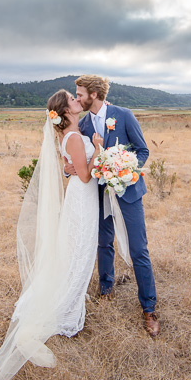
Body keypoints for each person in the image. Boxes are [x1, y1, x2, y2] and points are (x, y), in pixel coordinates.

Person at [0, 90, 103, 380]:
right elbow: (84, 174)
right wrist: (101, 150)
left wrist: (84, 155)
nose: (78, 100)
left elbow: (71, 168)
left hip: (80, 201)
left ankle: (68, 300)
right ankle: (65, 311)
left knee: (76, 254)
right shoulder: (78, 137)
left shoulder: (70, 136)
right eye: (73, 99)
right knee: (79, 254)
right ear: (66, 110)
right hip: (82, 201)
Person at [71, 74, 159, 337]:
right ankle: (106, 290)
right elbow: (80, 158)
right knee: (103, 243)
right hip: (98, 194)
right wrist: (69, 169)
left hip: (128, 191)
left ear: (94, 95)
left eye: (80, 94)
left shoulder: (124, 115)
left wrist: (125, 168)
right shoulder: (83, 125)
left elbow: (142, 150)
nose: (77, 98)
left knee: (138, 249)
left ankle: (149, 308)